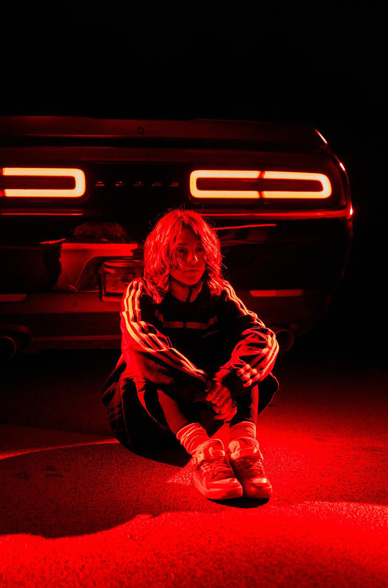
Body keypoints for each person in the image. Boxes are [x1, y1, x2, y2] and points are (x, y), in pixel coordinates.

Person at [102, 208, 279, 500]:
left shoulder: (219, 293)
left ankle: (244, 448)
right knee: (151, 361)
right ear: (162, 256)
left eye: (199, 250)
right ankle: (204, 454)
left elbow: (262, 336)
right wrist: (205, 387)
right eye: (181, 251)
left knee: (245, 358)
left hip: (203, 407)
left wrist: (228, 381)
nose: (193, 260)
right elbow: (143, 345)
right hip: (143, 419)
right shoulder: (141, 292)